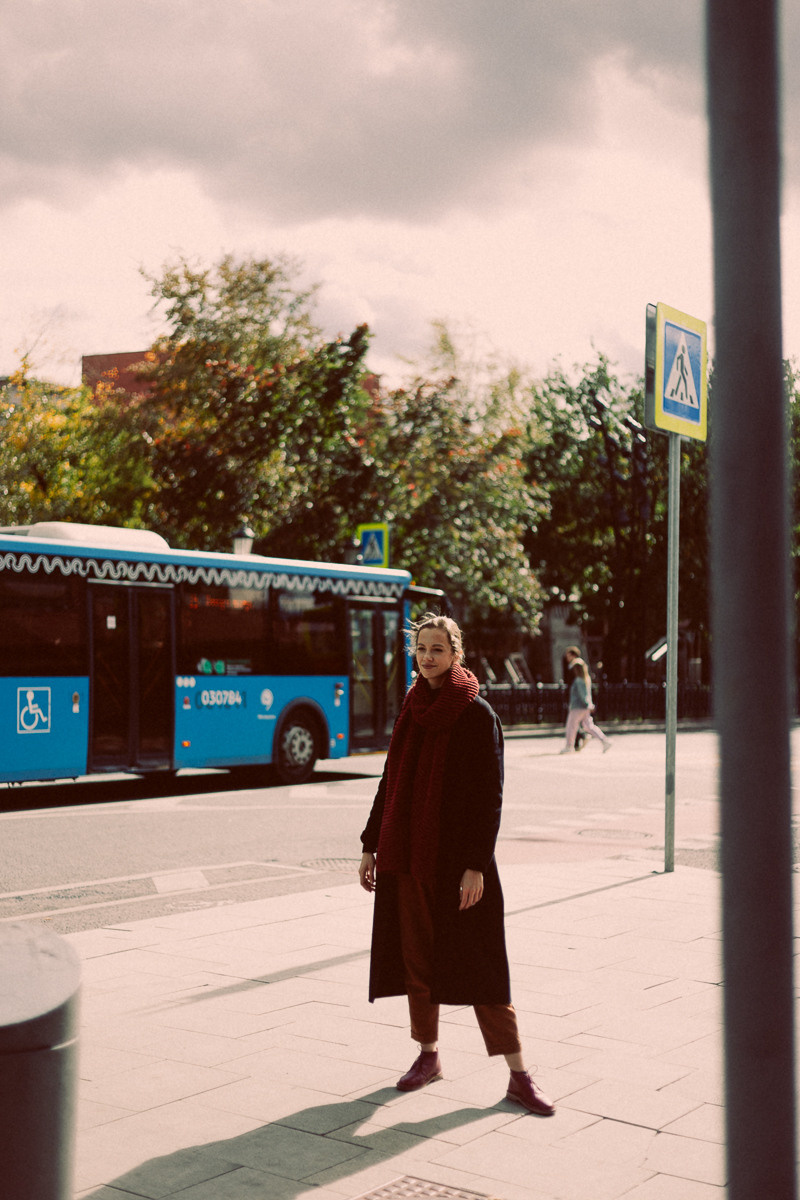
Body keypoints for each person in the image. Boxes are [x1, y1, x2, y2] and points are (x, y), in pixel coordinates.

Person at [358, 614, 555, 1117]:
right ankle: (428, 1057)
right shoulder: (411, 707)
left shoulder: (476, 713)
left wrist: (476, 865)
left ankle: (518, 1074)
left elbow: (490, 797)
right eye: (421, 649)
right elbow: (391, 781)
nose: (427, 658)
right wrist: (370, 844)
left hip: (458, 867)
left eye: (437, 649)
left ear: (456, 653)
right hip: (408, 859)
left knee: (484, 971)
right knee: (417, 961)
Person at [560, 646, 611, 754]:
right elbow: (587, 694)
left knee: (571, 726)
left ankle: (569, 746)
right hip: (584, 707)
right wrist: (589, 704)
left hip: (578, 707)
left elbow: (582, 695)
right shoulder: (586, 680)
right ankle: (605, 741)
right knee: (589, 726)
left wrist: (588, 704)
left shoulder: (578, 680)